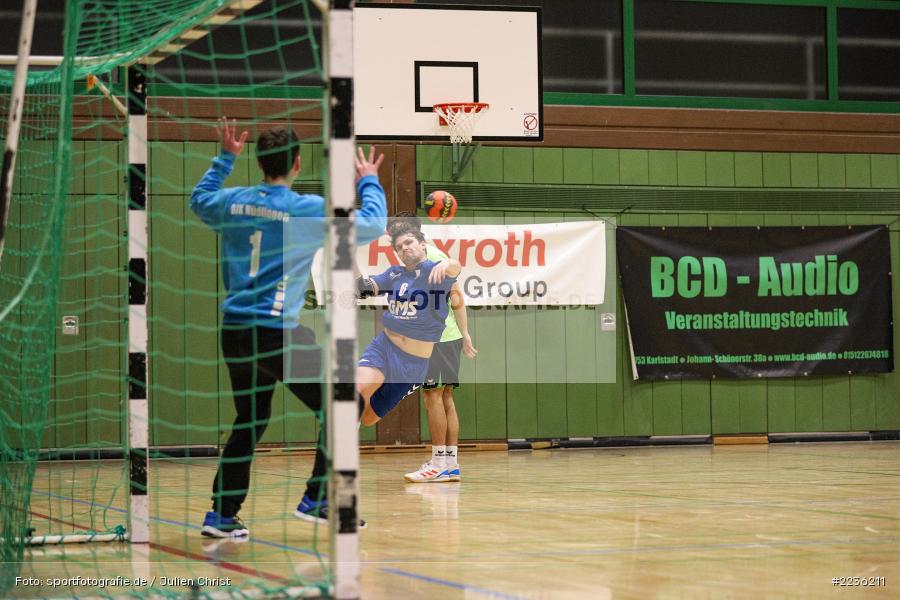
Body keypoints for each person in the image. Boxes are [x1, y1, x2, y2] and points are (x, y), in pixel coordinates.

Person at [191, 117, 386, 537]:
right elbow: (372, 225)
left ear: (260, 161)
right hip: (276, 331)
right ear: (297, 163)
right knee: (345, 405)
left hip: (236, 332)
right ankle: (317, 499)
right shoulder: (305, 210)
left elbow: (199, 198)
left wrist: (225, 160)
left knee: (249, 421)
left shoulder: (232, 202)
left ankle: (221, 516)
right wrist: (369, 180)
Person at [386, 213, 477, 483]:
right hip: (446, 336)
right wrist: (464, 333)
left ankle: (438, 464)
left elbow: (456, 294)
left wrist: (464, 332)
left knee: (433, 397)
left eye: (400, 233)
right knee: (445, 397)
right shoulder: (425, 257)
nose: (398, 241)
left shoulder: (433, 258)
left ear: (416, 234)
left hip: (437, 338)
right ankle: (450, 463)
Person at [356, 229, 462, 432]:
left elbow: (455, 268)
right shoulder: (394, 273)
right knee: (356, 389)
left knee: (368, 418)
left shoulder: (435, 272)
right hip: (383, 348)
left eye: (409, 242)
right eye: (399, 247)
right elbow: (363, 288)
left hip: (411, 365)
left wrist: (448, 263)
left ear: (423, 244)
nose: (404, 248)